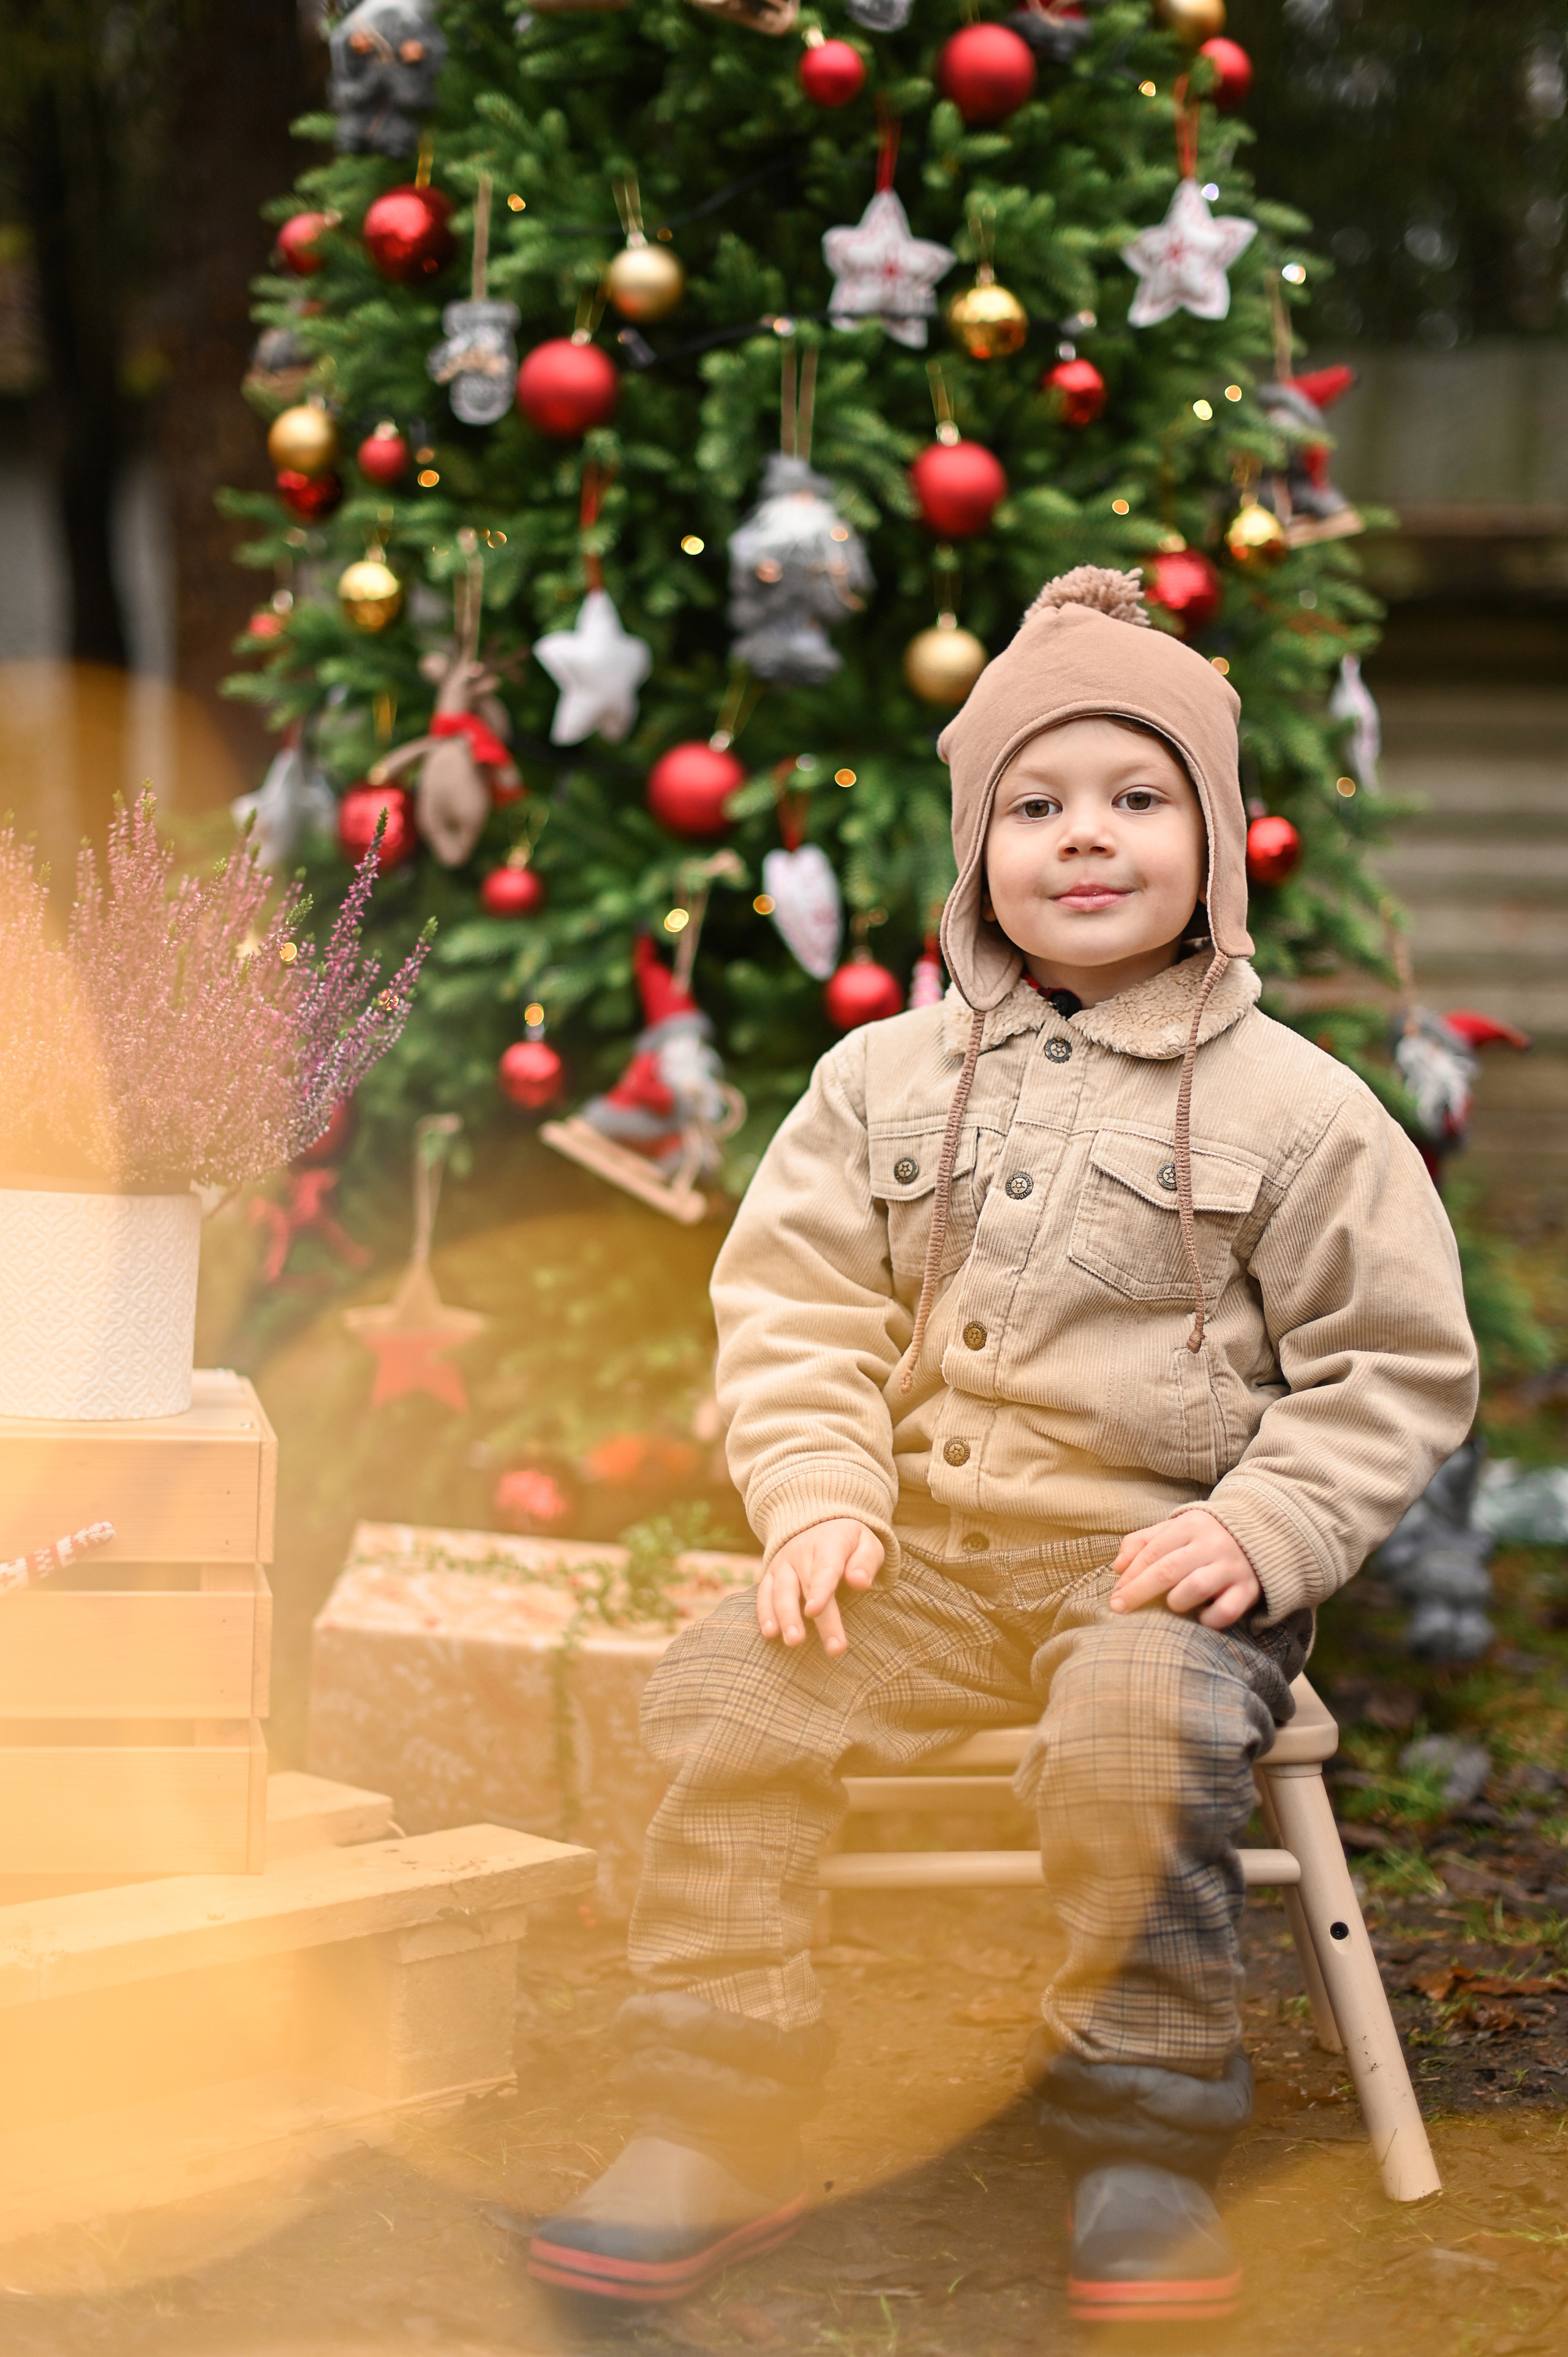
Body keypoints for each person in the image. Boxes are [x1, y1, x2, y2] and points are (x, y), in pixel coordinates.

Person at [529, 567, 1479, 2323]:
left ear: (1215, 835)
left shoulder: (1302, 1108)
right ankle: (719, 2116)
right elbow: (799, 1308)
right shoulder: (881, 1079)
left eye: (1137, 800)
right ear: (976, 852)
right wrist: (818, 1499)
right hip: (921, 1556)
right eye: (1036, 807)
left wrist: (1267, 1530)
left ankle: (1139, 2134)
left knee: (1134, 1733)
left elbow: (1395, 1362)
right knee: (730, 1693)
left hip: (1159, 1566)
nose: (1085, 839)